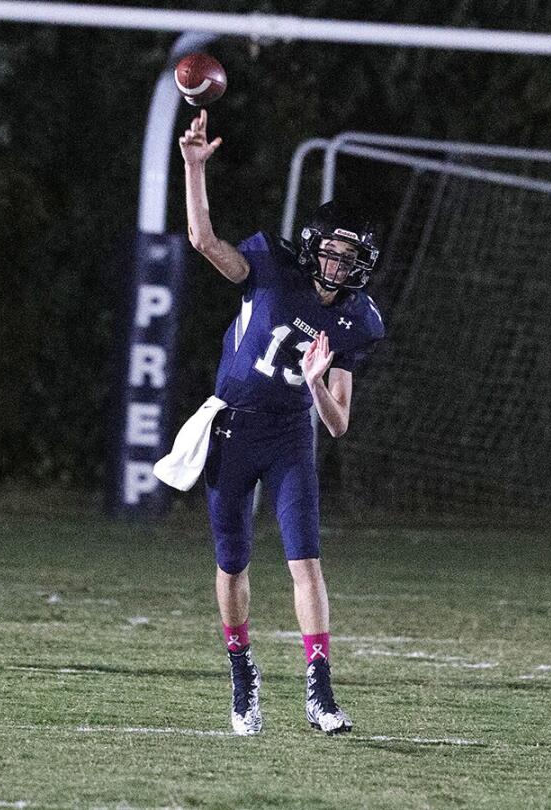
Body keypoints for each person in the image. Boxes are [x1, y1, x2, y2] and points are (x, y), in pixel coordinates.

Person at [175, 109, 386, 736]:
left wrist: (319, 381)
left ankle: (319, 690)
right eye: (331, 252)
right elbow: (204, 242)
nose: (338, 266)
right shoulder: (269, 266)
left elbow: (339, 422)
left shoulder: (358, 319)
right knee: (233, 561)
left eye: (350, 258)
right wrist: (193, 169)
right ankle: (243, 678)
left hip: (292, 433)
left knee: (305, 562)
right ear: (314, 246)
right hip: (234, 428)